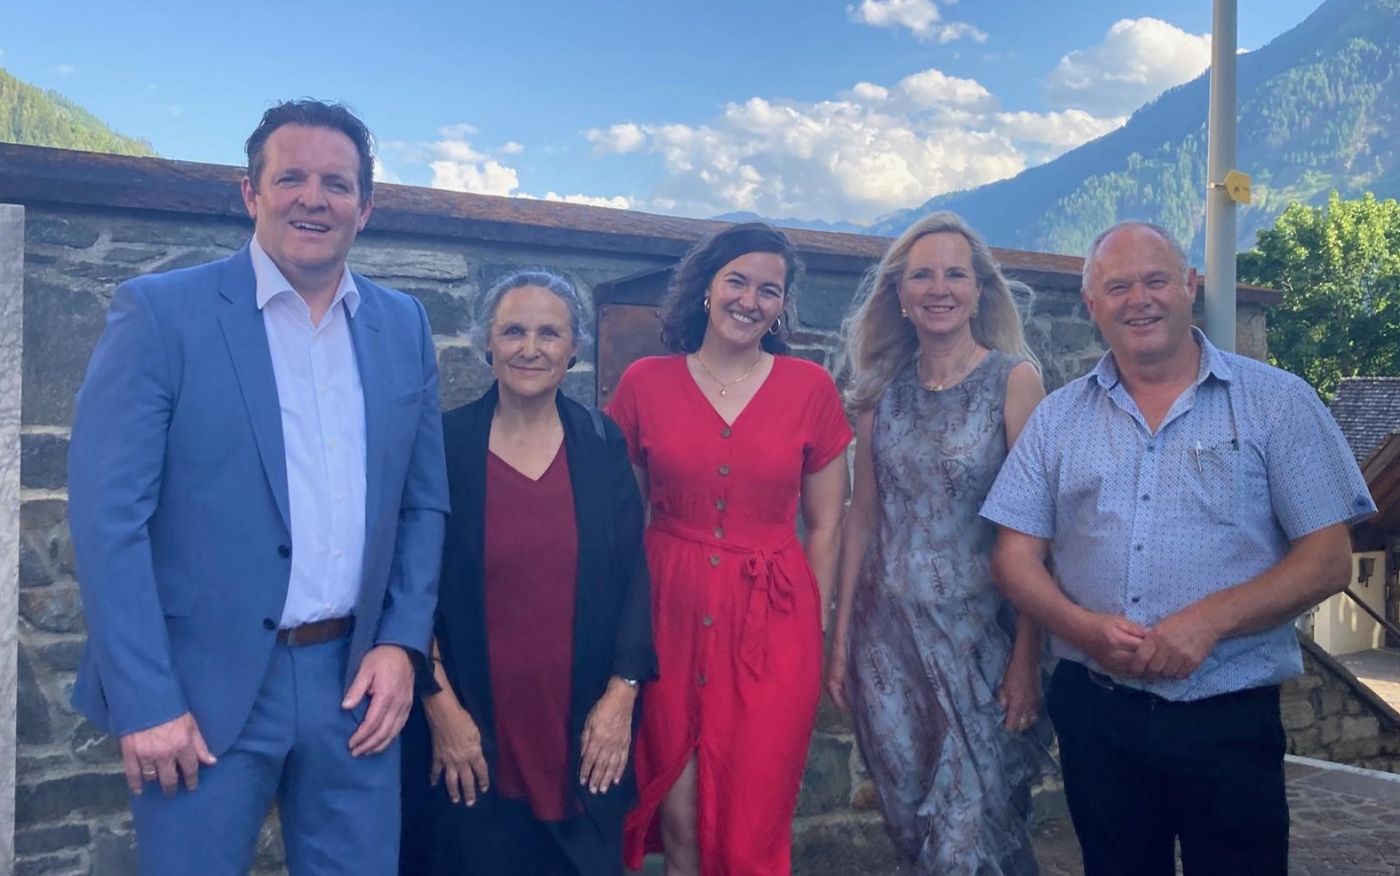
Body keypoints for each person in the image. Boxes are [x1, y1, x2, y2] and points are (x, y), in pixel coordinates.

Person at [66, 100, 449, 875]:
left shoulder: (403, 325)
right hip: (200, 691)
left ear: (365, 207)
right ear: (251, 193)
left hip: (354, 683)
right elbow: (109, 522)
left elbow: (422, 503)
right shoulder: (161, 315)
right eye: (291, 177)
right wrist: (147, 700)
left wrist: (402, 644)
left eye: (337, 183)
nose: (314, 198)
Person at [981, 221, 1375, 876]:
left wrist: (1208, 621)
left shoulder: (1277, 403)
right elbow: (1012, 556)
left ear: (1190, 286)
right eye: (1118, 287)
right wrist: (1081, 627)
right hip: (1097, 711)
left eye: (1156, 280)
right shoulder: (1058, 418)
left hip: (1227, 714)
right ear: (1092, 305)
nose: (1139, 300)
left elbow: (1328, 558)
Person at [606, 222, 852, 876]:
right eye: (736, 282)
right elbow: (620, 519)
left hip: (772, 626)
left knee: (753, 825)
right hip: (668, 617)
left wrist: (811, 626)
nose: (750, 300)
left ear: (782, 305)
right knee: (680, 816)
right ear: (706, 288)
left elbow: (826, 525)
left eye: (768, 290)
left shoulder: (810, 388)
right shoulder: (644, 383)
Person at [399, 270, 656, 876]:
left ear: (574, 349)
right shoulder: (444, 445)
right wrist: (441, 709)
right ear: (487, 344)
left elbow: (633, 579)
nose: (530, 348)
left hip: (578, 733)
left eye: (549, 333)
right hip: (471, 732)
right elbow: (411, 585)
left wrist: (622, 697)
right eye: (513, 331)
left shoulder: (601, 444)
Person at [827, 211, 1048, 874]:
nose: (939, 288)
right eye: (922, 275)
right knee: (912, 829)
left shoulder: (1014, 382)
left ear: (980, 291)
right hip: (886, 647)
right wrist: (839, 639)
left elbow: (1036, 529)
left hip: (981, 646)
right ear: (899, 293)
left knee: (970, 837)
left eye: (955, 274)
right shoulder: (878, 393)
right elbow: (862, 516)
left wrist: (1027, 656)